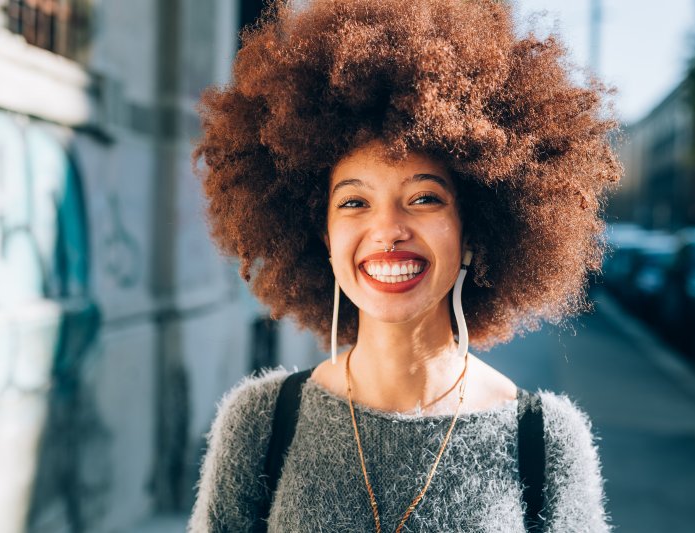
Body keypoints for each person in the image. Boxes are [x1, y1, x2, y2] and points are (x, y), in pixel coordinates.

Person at [188, 0, 621, 531]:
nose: (388, 229)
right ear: (323, 237)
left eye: (424, 199)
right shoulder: (260, 423)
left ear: (473, 231)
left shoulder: (544, 439)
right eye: (354, 202)